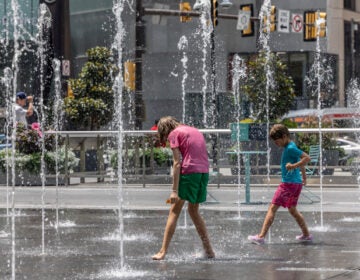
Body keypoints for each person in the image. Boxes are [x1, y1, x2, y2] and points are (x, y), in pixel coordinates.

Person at [152, 116, 215, 260]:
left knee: (174, 211)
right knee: (193, 211)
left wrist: (174, 191)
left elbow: (176, 163)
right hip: (203, 172)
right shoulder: (194, 130)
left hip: (189, 173)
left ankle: (162, 251)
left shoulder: (174, 134)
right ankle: (209, 250)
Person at [248, 124, 312, 245]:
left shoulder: (290, 148)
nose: (276, 144)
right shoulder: (291, 146)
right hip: (295, 184)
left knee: (272, 208)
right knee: (293, 210)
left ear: (284, 136)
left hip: (288, 184)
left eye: (277, 142)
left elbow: (306, 158)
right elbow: (301, 160)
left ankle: (261, 236)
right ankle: (306, 235)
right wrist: (303, 177)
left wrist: (293, 166)